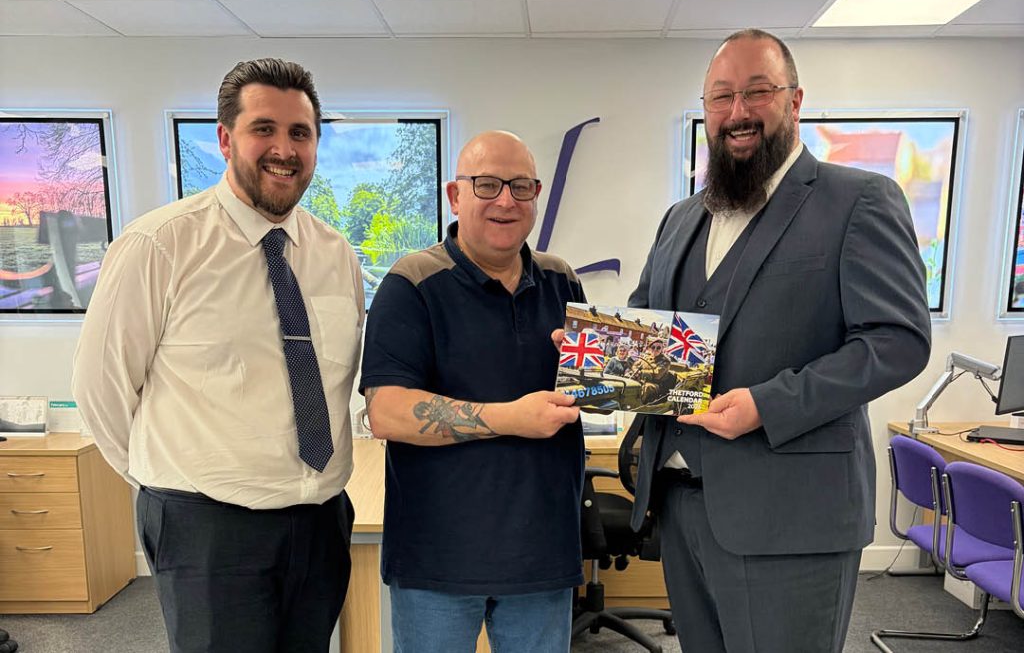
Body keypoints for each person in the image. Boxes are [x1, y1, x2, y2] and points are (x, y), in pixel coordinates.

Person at [627, 29, 931, 653]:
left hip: (793, 520)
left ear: (794, 102)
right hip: (682, 507)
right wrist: (602, 353)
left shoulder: (859, 201)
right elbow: (649, 317)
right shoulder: (682, 217)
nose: (737, 112)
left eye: (756, 92)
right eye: (720, 97)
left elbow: (897, 340)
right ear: (705, 110)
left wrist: (769, 404)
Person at [71, 58, 364, 653]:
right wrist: (171, 483)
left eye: (299, 133)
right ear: (226, 138)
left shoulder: (335, 254)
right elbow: (100, 389)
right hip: (207, 527)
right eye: (265, 129)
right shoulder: (160, 244)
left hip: (319, 522)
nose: (283, 148)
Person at [360, 130, 585, 652]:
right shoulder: (412, 283)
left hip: (541, 553)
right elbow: (387, 413)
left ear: (536, 194)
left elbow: (597, 388)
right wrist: (510, 417)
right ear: (455, 196)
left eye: (520, 186)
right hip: (437, 558)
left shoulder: (562, 281)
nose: (505, 200)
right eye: (486, 185)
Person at [626, 337, 676, 403]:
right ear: (650, 348)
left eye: (658, 348)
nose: (655, 349)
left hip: (656, 384)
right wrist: (636, 370)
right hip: (641, 379)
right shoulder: (646, 357)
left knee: (647, 387)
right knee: (627, 378)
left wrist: (641, 372)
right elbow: (635, 365)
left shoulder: (665, 361)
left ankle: (639, 405)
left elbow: (657, 374)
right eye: (653, 347)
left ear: (662, 349)